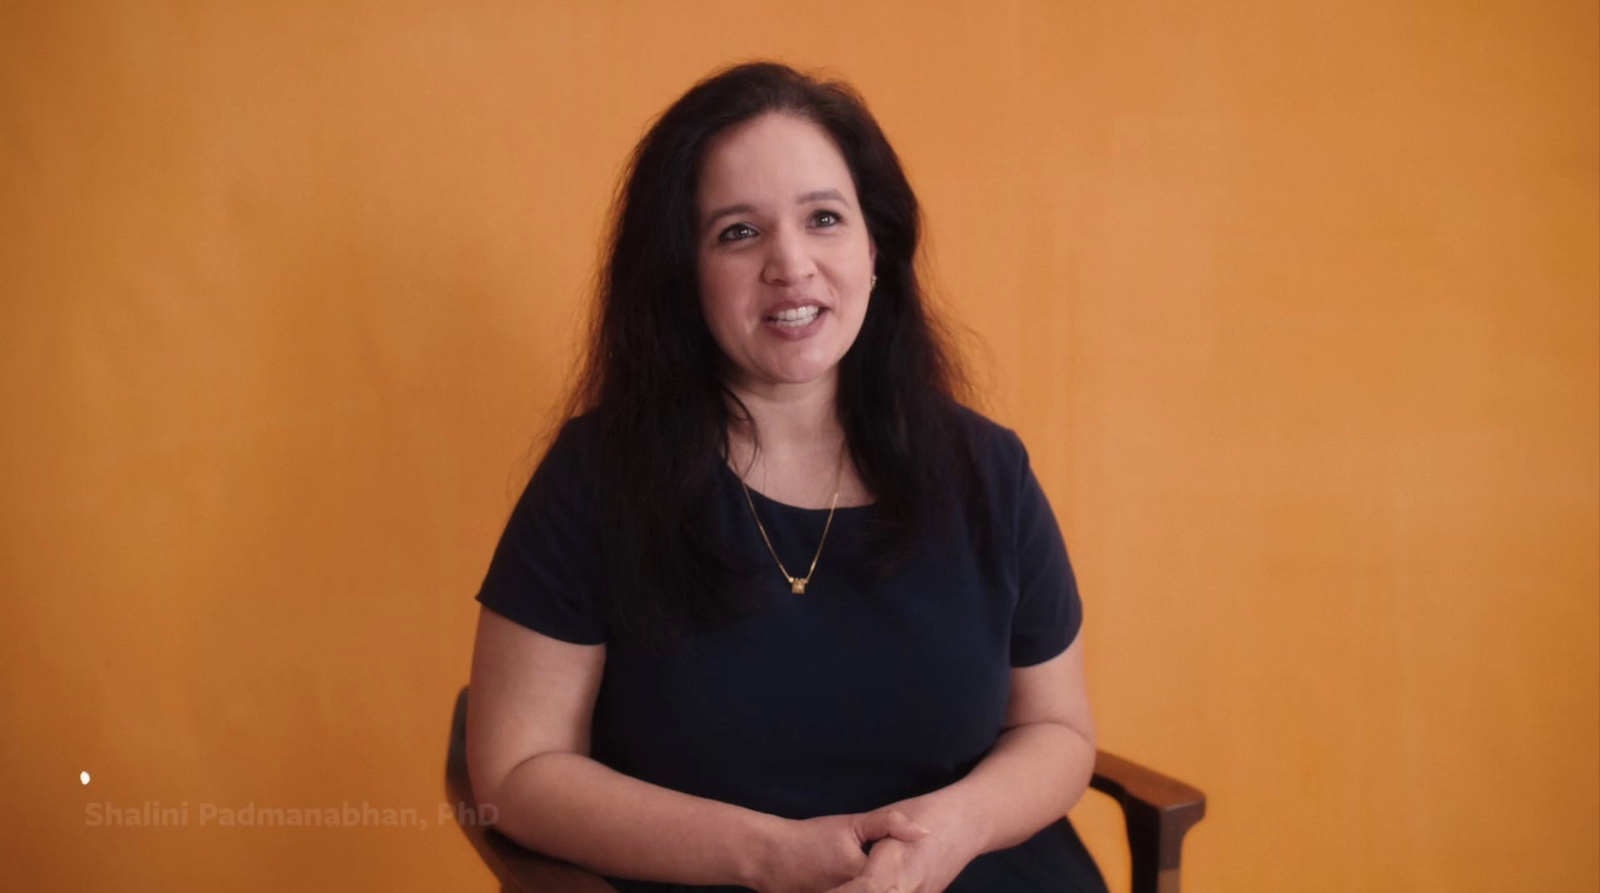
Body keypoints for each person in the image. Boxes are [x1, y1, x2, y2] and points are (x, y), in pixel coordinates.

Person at [466, 61, 1110, 893]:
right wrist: (772, 855)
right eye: (739, 232)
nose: (791, 264)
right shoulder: (597, 480)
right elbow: (518, 770)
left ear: (876, 248)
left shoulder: (989, 471)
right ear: (681, 274)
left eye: (825, 218)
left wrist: (952, 830)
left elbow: (1056, 728)